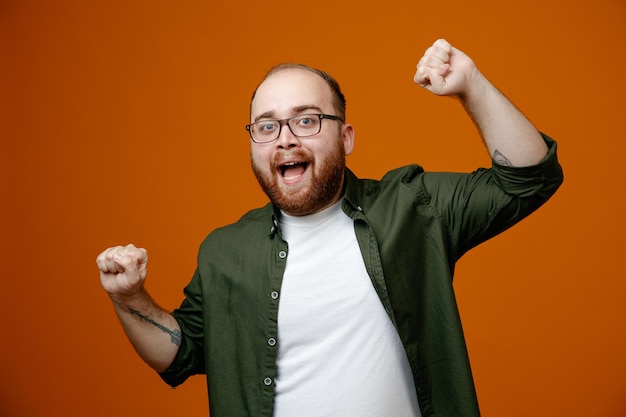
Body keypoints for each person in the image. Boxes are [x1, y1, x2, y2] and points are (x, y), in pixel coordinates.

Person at [96, 39, 563, 417]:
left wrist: (471, 85)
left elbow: (529, 179)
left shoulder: (414, 207)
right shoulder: (224, 252)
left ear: (346, 137)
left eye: (306, 119)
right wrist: (128, 297)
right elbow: (180, 354)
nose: (285, 139)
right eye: (267, 126)